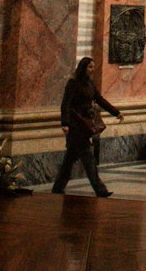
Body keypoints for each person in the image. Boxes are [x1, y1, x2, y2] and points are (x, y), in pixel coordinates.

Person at [52, 56, 122, 197]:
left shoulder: (90, 84)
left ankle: (58, 187)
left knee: (69, 160)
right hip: (76, 125)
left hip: (85, 125)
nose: (92, 70)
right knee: (88, 158)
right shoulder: (73, 83)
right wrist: (65, 123)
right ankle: (100, 190)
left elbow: (100, 99)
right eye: (90, 67)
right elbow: (66, 104)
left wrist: (115, 112)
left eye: (93, 67)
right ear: (83, 68)